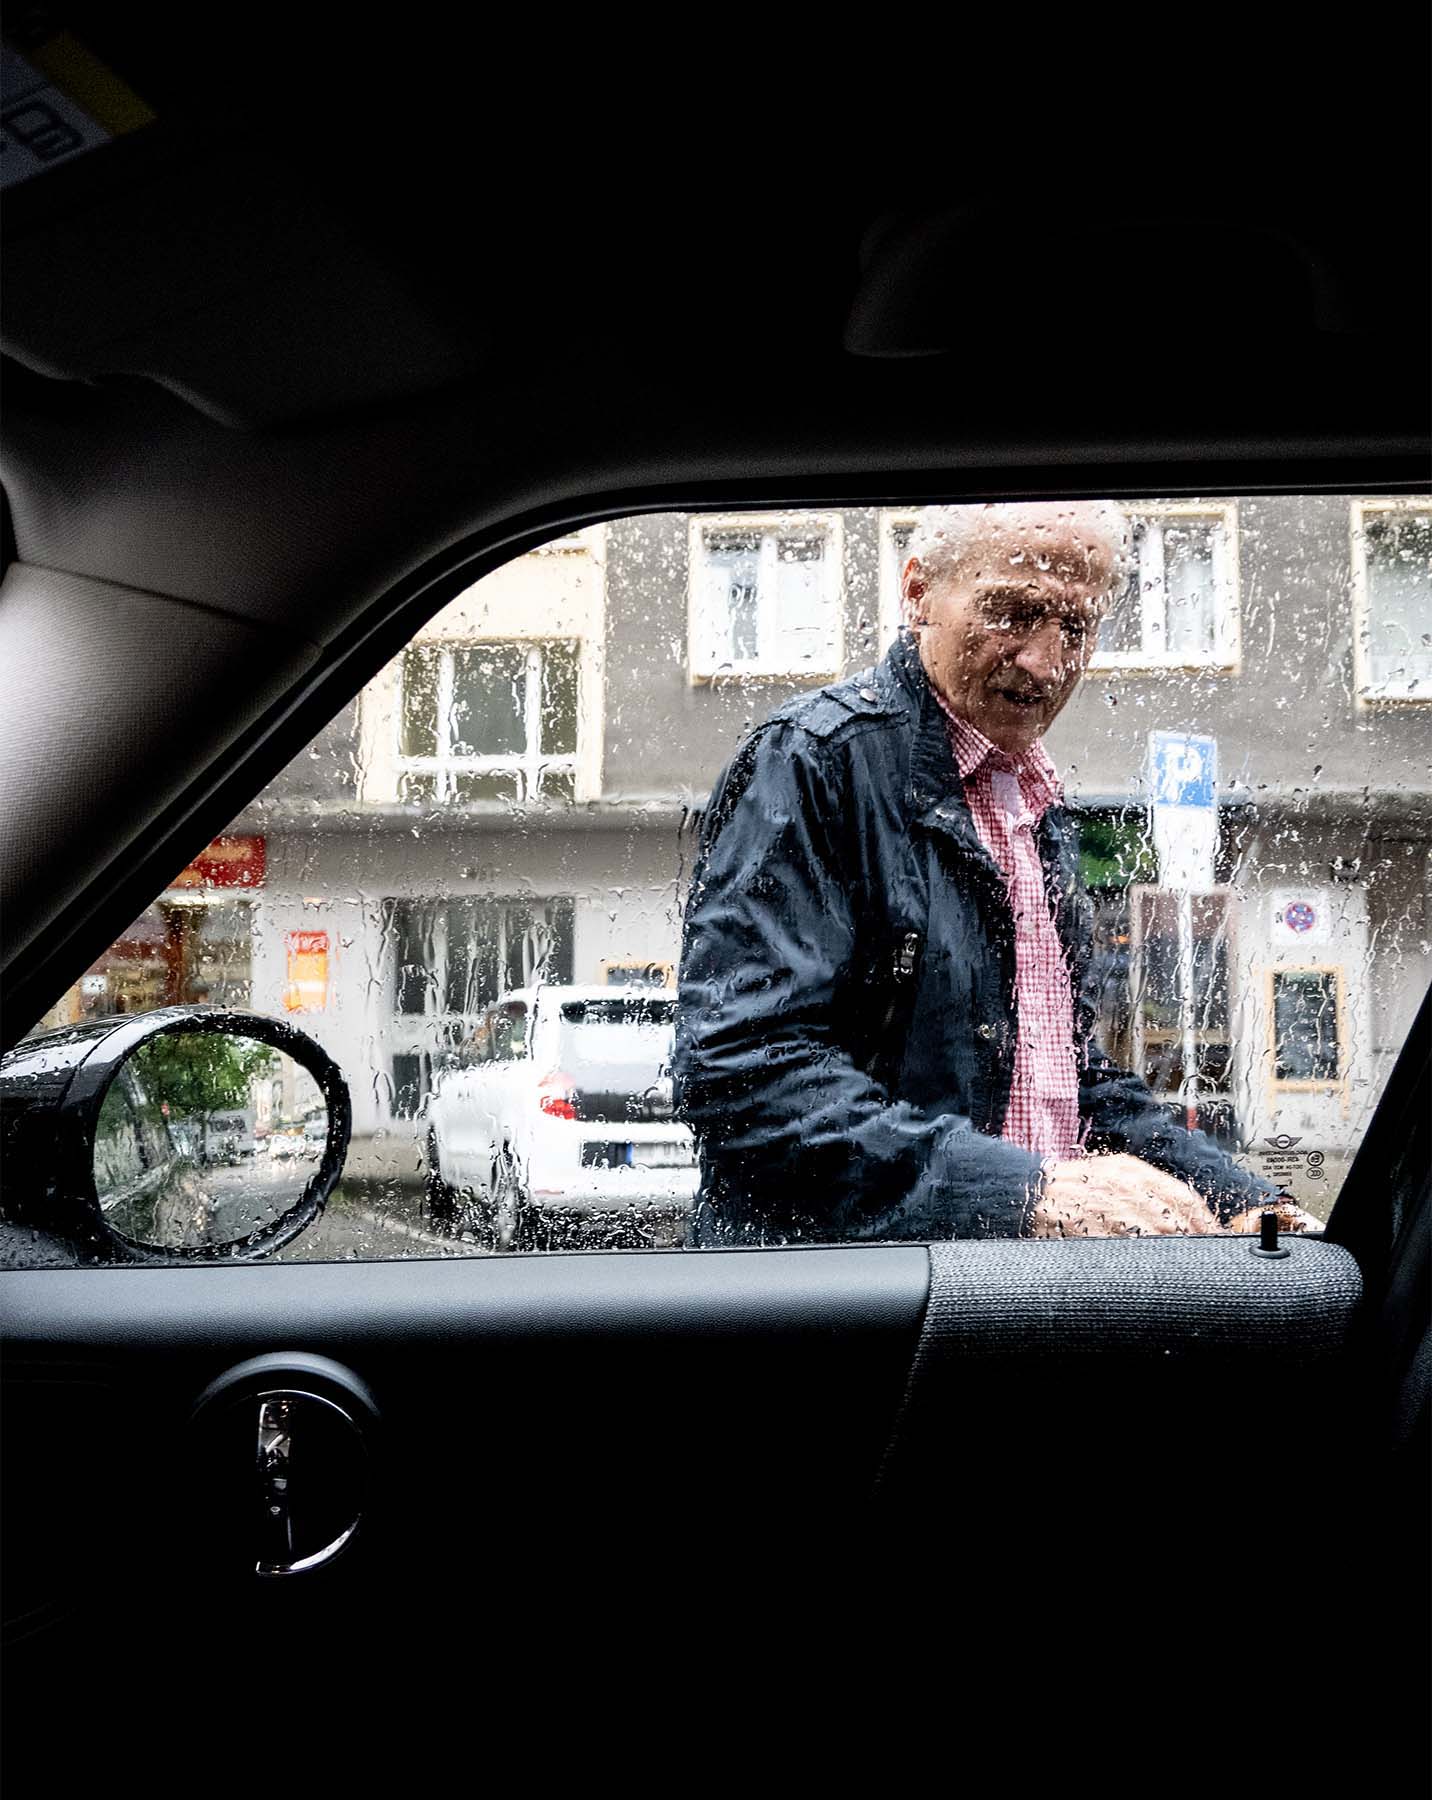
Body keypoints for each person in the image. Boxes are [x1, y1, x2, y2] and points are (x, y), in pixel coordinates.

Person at [674, 500, 1311, 1245]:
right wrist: (1023, 1191)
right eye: (1012, 612)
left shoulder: (1033, 806)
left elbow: (1070, 1082)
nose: (1045, 662)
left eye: (1074, 627)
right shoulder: (815, 762)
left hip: (995, 1295)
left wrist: (1242, 1197)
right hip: (849, 1313)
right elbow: (743, 1073)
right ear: (917, 595)